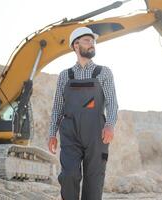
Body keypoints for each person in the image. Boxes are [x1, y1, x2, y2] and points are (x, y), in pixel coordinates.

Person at [48, 27, 118, 200]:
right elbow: (57, 107)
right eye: (87, 40)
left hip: (96, 133)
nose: (92, 44)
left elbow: (112, 102)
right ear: (75, 45)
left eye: (93, 41)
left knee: (94, 180)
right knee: (69, 175)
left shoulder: (103, 72)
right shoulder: (65, 76)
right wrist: (52, 134)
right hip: (70, 133)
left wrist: (109, 124)